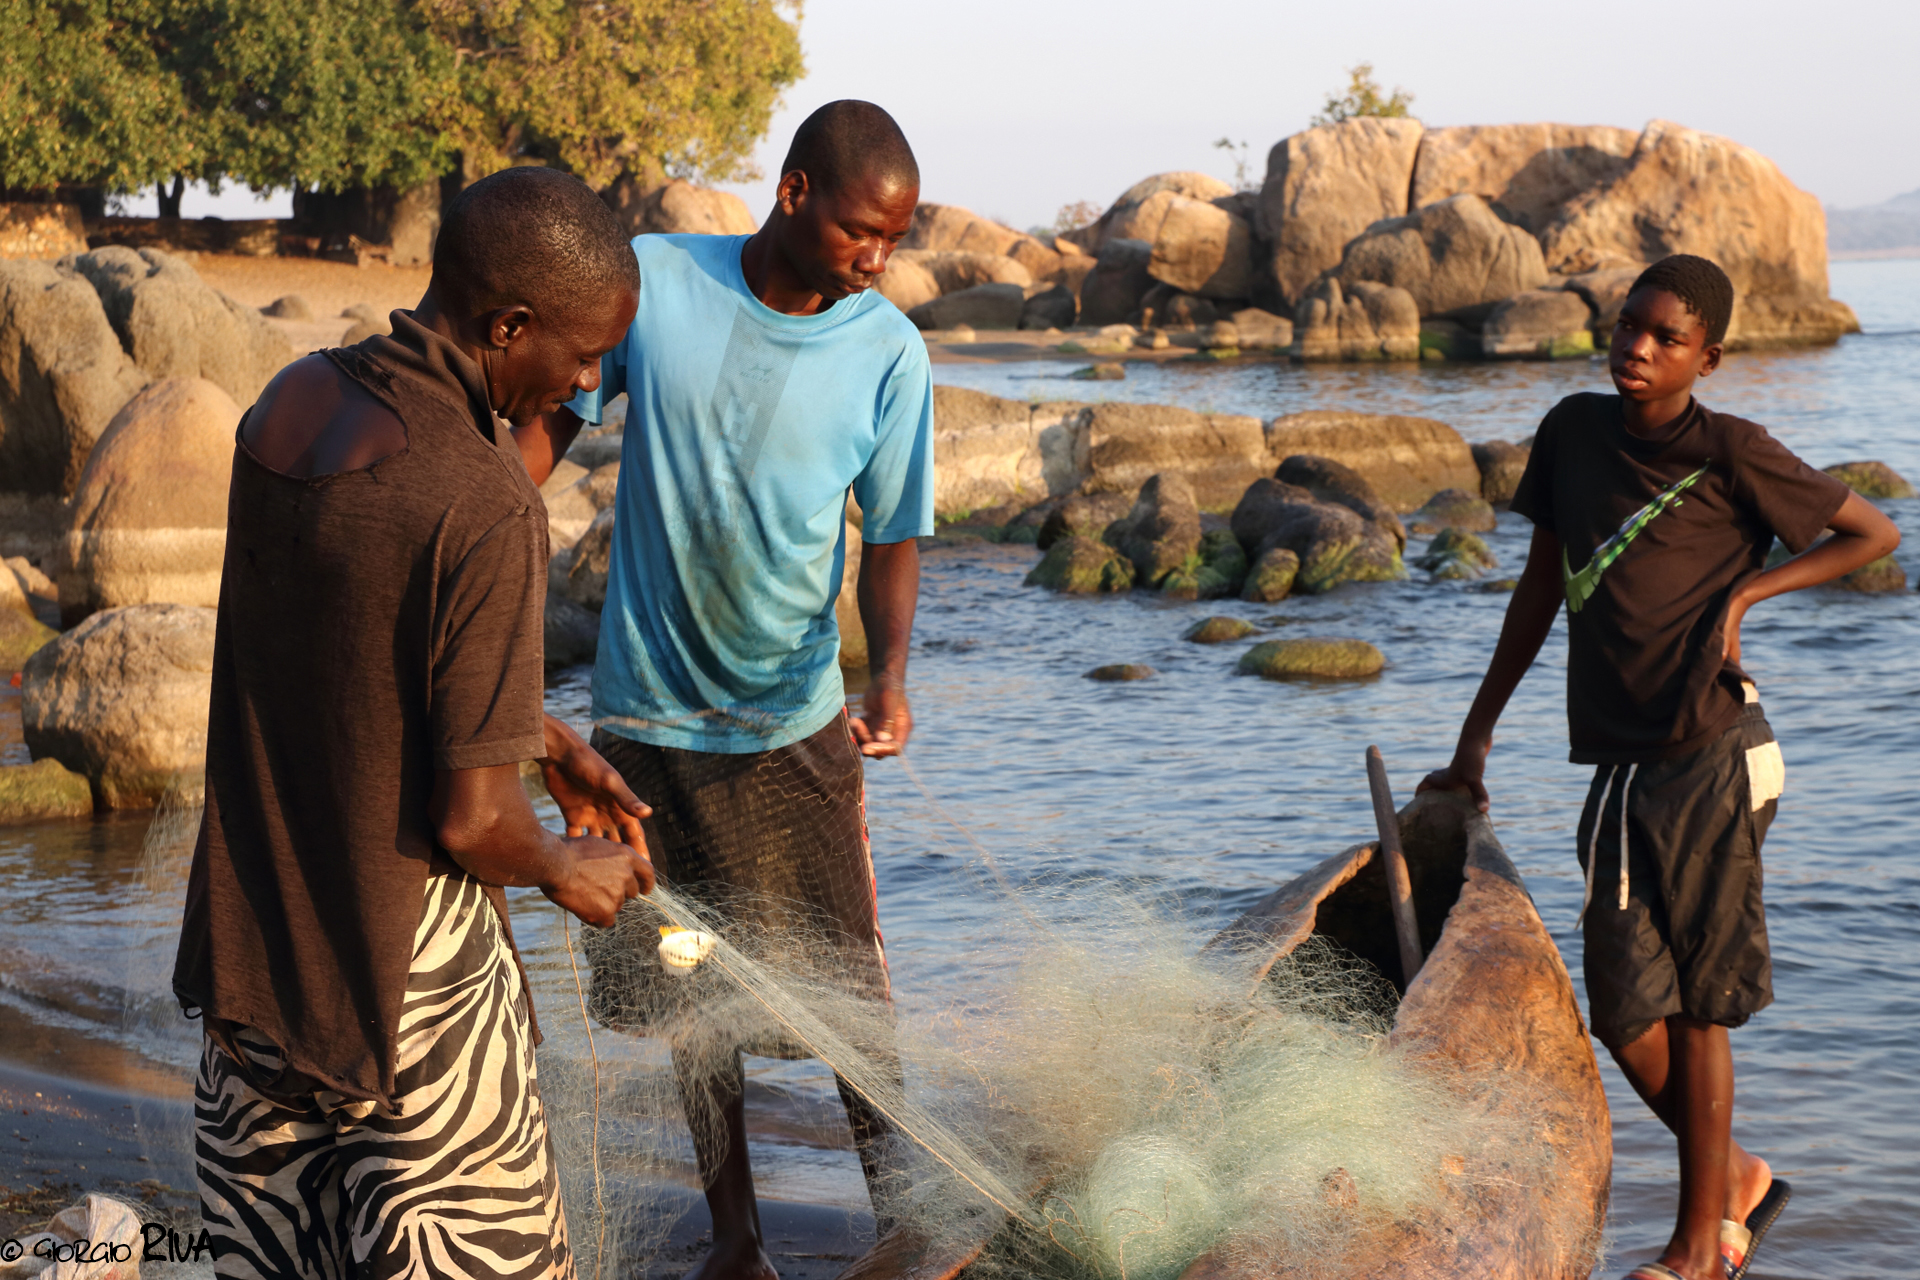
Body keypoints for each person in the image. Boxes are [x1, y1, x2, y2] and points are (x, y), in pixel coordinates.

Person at [173, 166, 657, 1280]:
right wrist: (564, 865)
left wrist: (538, 732)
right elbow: (474, 824)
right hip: (411, 1003)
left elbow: (349, 663)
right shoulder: (485, 500)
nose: (589, 384)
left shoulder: (288, 405)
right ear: (509, 325)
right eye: (585, 355)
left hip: (254, 970)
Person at [1420, 255, 1900, 1280]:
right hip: (1622, 764)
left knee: (1696, 1003)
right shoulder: (1573, 432)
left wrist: (1746, 596)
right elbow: (1541, 588)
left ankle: (1695, 1251)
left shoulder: (1731, 449)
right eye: (1628, 325)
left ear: (1706, 358)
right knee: (1625, 1012)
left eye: (1665, 337)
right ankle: (1738, 1179)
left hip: (1713, 751)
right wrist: (1475, 737)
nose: (1636, 347)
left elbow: (1872, 532)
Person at [525, 99, 932, 1280]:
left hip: (792, 718)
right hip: (643, 714)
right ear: (794, 192)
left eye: (894, 239)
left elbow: (893, 535)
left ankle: (908, 1222)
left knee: (848, 991)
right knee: (688, 981)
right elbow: (549, 425)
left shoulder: (889, 354)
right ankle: (736, 1238)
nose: (878, 258)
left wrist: (890, 676)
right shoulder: (656, 282)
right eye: (861, 230)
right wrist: (475, 523)